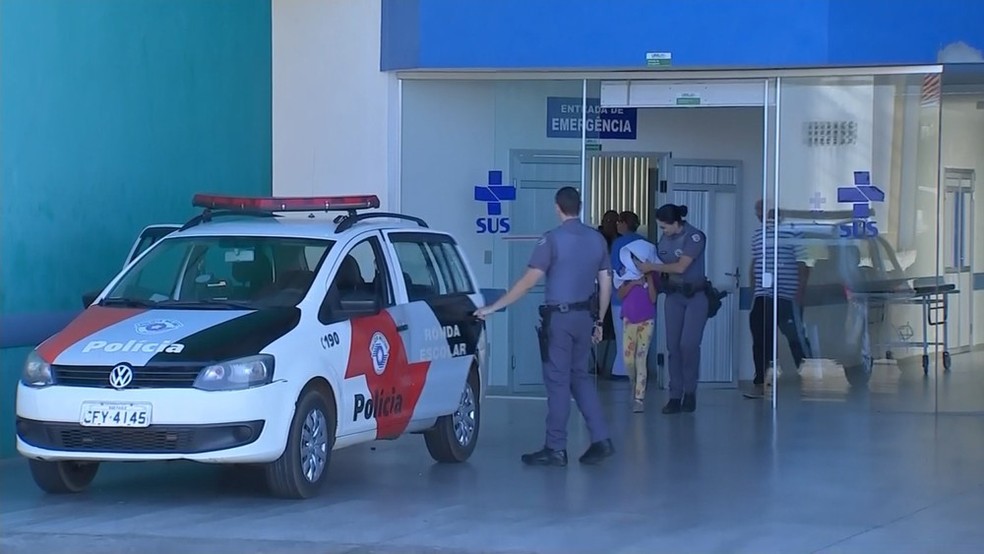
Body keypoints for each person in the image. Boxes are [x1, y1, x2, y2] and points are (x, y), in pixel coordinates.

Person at [475, 186, 615, 467]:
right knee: (580, 378)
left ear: (557, 207)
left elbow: (528, 282)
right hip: (585, 318)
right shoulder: (597, 239)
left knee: (558, 381)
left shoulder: (552, 239)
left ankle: (555, 448)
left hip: (560, 320)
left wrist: (493, 307)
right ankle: (601, 439)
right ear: (580, 206)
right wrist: (599, 321)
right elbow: (606, 283)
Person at [634, 204, 707, 414]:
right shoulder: (665, 239)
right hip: (673, 297)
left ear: (676, 223)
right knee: (673, 347)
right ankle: (675, 395)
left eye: (665, 227)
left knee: (688, 345)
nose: (663, 231)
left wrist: (651, 267)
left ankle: (690, 392)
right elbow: (659, 261)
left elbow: (681, 267)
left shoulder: (694, 237)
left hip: (694, 297)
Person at [747, 199, 811, 397]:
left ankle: (809, 376)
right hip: (763, 295)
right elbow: (755, 262)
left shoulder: (792, 232)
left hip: (786, 296)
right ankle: (761, 379)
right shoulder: (758, 235)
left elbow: (803, 264)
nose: (758, 214)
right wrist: (754, 289)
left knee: (795, 338)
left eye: (761, 210)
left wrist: (799, 293)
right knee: (760, 337)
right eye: (757, 210)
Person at [613, 239, 659, 412]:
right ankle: (633, 383)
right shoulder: (625, 274)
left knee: (641, 359)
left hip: (647, 320)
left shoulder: (652, 275)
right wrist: (633, 283)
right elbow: (620, 295)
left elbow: (653, 298)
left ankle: (639, 398)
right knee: (628, 359)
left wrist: (649, 278)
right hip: (629, 319)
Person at [607, 210, 644, 381]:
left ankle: (622, 370)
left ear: (623, 223)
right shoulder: (645, 242)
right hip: (642, 295)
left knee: (622, 335)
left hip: (621, 296)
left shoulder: (618, 244)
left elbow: (615, 269)